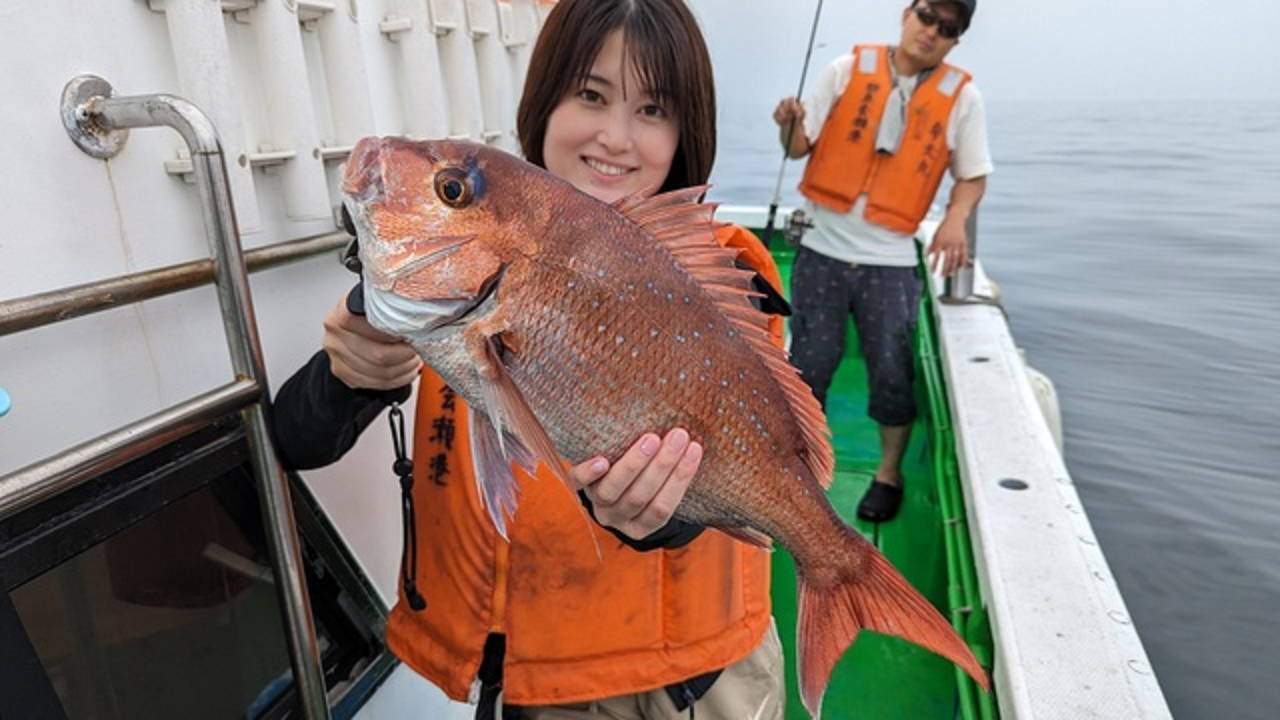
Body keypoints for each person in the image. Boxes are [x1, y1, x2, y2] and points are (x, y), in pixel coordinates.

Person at [271, 0, 789, 717]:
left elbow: (746, 463)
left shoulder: (726, 278)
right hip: (523, 677)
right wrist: (348, 375)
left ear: (687, 132)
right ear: (545, 102)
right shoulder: (468, 256)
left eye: (652, 110)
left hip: (684, 688)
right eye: (591, 95)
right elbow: (294, 442)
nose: (615, 138)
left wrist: (657, 516)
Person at [772, 0, 992, 523]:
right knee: (809, 367)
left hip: (890, 261)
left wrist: (955, 219)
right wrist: (788, 124)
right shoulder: (845, 71)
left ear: (955, 40)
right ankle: (797, 471)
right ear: (907, 13)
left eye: (948, 27)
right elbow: (797, 148)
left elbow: (973, 175)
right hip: (822, 249)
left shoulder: (963, 100)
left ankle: (888, 473)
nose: (932, 31)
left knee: (892, 372)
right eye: (928, 16)